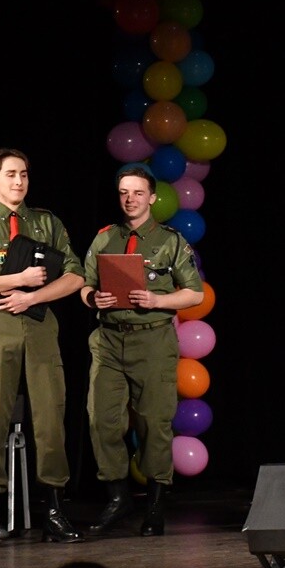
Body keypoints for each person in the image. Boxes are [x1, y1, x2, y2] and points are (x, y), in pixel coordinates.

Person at [0, 147, 86, 548]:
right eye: (10, 175)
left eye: (24, 174)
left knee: (49, 418)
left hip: (39, 326)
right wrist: (17, 281)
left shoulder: (46, 221)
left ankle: (55, 512)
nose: (19, 182)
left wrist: (34, 295)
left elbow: (76, 275)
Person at [80, 166, 204, 537]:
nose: (129, 199)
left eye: (137, 192)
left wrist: (156, 299)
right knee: (101, 419)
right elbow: (83, 284)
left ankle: (154, 503)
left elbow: (194, 293)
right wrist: (92, 297)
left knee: (153, 422)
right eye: (123, 192)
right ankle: (118, 498)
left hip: (151, 340)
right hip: (108, 339)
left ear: (151, 197)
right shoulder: (105, 238)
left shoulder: (169, 241)